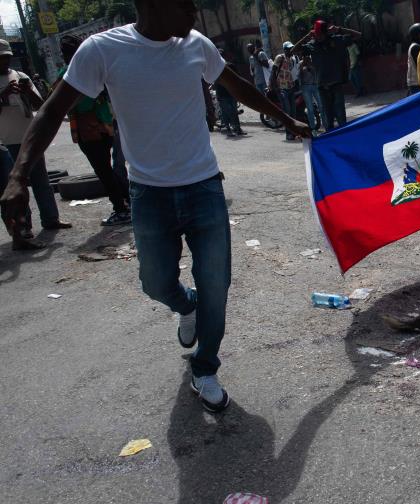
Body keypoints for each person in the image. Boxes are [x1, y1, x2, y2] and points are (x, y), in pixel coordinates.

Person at [0, 0, 311, 412]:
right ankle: (187, 305)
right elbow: (52, 110)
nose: (194, 13)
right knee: (155, 283)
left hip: (204, 188)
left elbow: (237, 86)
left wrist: (286, 119)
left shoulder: (195, 44)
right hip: (150, 194)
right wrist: (18, 176)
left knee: (217, 286)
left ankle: (205, 367)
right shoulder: (102, 49)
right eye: (185, 5)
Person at [0, 38, 71, 250]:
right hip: (5, 142)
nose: (4, 62)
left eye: (7, 58)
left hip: (29, 138)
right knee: (14, 188)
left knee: (41, 182)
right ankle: (23, 229)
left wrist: (28, 91)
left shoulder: (21, 76)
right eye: (1, 58)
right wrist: (3, 96)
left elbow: (43, 107)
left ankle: (51, 219)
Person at [59, 34, 131, 226]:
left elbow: (75, 105)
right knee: (110, 169)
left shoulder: (71, 73)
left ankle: (122, 208)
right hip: (106, 126)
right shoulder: (96, 67)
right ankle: (127, 203)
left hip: (90, 130)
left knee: (104, 171)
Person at [299, 20, 361, 131]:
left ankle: (344, 139)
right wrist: (307, 36)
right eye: (316, 34)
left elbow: (358, 35)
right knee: (328, 120)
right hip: (322, 87)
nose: (317, 36)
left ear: (325, 33)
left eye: (319, 34)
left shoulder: (337, 40)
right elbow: (293, 50)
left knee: (341, 117)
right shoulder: (312, 45)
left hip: (336, 85)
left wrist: (339, 29)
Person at [270, 41, 299, 141]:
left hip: (290, 87)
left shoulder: (291, 59)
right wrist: (275, 87)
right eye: (289, 48)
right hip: (282, 89)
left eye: (292, 48)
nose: (291, 50)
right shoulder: (280, 57)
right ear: (285, 49)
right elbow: (273, 72)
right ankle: (288, 134)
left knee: (293, 112)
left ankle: (294, 132)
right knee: (287, 112)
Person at [215, 49, 246, 137]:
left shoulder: (231, 66)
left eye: (221, 55)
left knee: (233, 112)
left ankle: (237, 129)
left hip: (232, 93)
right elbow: (214, 80)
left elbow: (238, 78)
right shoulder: (215, 68)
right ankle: (228, 129)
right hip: (222, 94)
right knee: (226, 112)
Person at [298, 47, 325, 131]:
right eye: (304, 56)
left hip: (315, 85)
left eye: (307, 56)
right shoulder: (300, 64)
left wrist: (311, 66)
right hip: (305, 87)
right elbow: (299, 77)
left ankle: (326, 125)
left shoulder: (313, 62)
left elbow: (317, 73)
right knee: (310, 108)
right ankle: (313, 128)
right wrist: (302, 67)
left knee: (321, 106)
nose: (306, 58)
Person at [406, 22, 420, 95]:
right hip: (416, 83)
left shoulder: (418, 46)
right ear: (415, 36)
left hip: (415, 82)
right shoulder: (416, 47)